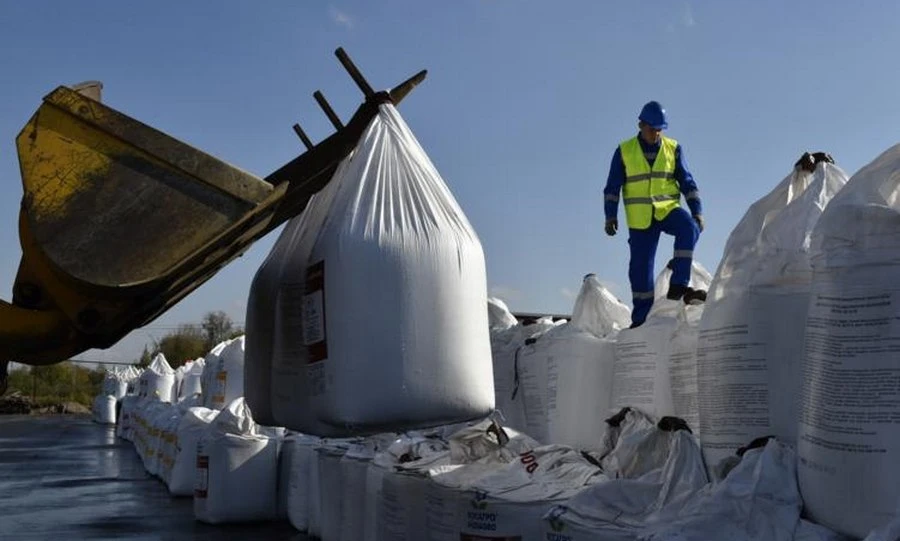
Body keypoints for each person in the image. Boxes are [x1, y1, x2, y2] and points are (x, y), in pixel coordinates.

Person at [603, 101, 706, 328]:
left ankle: (679, 285)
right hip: (641, 219)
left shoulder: (673, 148)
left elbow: (688, 182)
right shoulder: (624, 151)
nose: (656, 133)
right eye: (652, 129)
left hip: (666, 209)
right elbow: (612, 187)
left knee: (689, 228)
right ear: (641, 125)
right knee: (640, 269)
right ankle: (641, 320)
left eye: (660, 129)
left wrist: (697, 211)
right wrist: (610, 216)